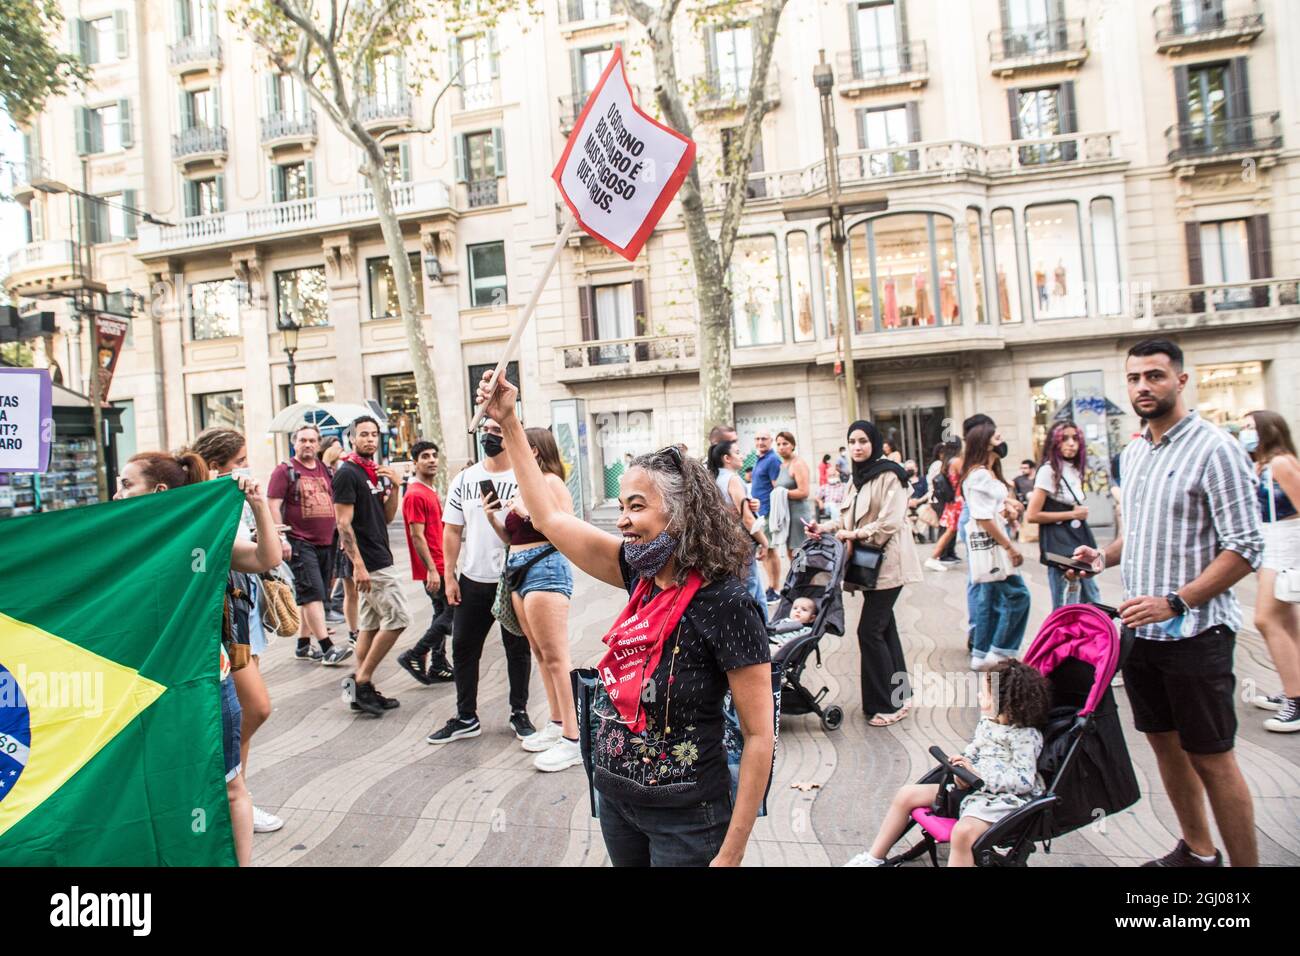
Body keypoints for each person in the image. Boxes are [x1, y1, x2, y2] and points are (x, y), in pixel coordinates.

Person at [477, 371, 774, 867]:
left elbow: (759, 737)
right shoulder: (638, 573)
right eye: (620, 506)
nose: (621, 520)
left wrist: (731, 852)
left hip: (689, 819)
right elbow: (550, 518)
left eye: (636, 506)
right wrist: (509, 421)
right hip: (617, 803)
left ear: (681, 513)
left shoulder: (727, 603)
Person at [1074, 338, 1263, 867]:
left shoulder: (1214, 447)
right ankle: (1199, 852)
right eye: (1134, 378)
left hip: (1197, 633)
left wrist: (1176, 602)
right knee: (1164, 745)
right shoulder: (1135, 452)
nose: (1143, 387)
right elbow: (1143, 531)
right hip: (1142, 634)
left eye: (1155, 376)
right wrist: (1103, 558)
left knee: (1212, 757)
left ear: (1181, 380)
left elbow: (1245, 548)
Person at [113, 451, 269, 864]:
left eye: (126, 484)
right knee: (159, 785)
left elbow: (264, 558)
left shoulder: (202, 532)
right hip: (148, 686)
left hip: (204, 684)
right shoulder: (118, 537)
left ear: (159, 491)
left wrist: (258, 506)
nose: (116, 494)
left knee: (230, 784)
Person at [845, 662, 1051, 867]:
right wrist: (962, 764)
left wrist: (979, 777)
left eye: (985, 693)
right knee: (906, 794)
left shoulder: (1026, 737)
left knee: (962, 833)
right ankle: (873, 858)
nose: (979, 697)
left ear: (1005, 702)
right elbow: (975, 749)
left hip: (1003, 800)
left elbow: (1024, 780)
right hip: (973, 785)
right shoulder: (988, 722)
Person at [190, 427, 289, 837]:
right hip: (227, 621)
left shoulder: (233, 498)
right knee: (254, 708)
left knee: (244, 713)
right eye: (239, 460)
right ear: (216, 467)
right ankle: (230, 792)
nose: (247, 466)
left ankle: (236, 795)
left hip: (243, 610)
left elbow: (262, 550)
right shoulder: (208, 505)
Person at [425, 418, 535, 744]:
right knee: (463, 648)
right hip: (473, 579)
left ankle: (519, 712)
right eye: (485, 430)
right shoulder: (465, 479)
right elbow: (452, 531)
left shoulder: (524, 477)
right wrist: (449, 576)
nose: (489, 436)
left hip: (514, 575)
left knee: (517, 648)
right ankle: (466, 716)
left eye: (497, 431)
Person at [483, 427, 582, 771]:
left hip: (545, 568)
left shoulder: (551, 482)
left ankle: (574, 737)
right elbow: (512, 537)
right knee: (539, 654)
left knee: (556, 657)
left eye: (520, 446)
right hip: (518, 569)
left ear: (535, 451)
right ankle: (557, 724)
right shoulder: (528, 484)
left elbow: (566, 524)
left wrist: (526, 511)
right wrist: (493, 517)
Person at [809, 421, 920, 725]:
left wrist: (853, 536)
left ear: (875, 443)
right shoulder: (856, 479)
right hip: (870, 566)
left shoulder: (891, 475)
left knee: (869, 631)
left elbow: (889, 523)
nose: (857, 447)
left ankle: (887, 704)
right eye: (852, 441)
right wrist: (826, 528)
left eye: (863, 441)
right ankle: (900, 695)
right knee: (884, 629)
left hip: (890, 563)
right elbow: (847, 518)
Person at [333, 416, 409, 717]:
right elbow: (343, 523)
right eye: (363, 434)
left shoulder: (374, 473)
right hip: (372, 563)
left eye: (374, 434)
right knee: (398, 618)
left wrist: (396, 486)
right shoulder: (347, 473)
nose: (370, 439)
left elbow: (387, 517)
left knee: (370, 625)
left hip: (380, 553)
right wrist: (359, 566)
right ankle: (361, 680)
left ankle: (361, 691)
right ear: (352, 438)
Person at [267, 424, 351, 665]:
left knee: (313, 594)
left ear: (318, 444)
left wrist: (342, 537)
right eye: (303, 440)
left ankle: (303, 646)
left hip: (326, 541)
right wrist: (281, 538)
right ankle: (327, 648)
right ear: (294, 442)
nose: (308, 444)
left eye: (312, 440)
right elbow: (273, 504)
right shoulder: (285, 471)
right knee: (312, 592)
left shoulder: (324, 469)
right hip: (299, 541)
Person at [1240, 410, 1300, 732]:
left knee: (1266, 619)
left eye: (1250, 426)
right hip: (1272, 543)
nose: (1244, 432)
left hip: (1284, 545)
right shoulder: (1262, 464)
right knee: (1287, 623)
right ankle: (1293, 688)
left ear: (1268, 430)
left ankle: (1296, 701)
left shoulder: (1280, 463)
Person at [961, 422, 1031, 671]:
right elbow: (982, 516)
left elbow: (989, 510)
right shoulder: (979, 474)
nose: (1000, 438)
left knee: (989, 598)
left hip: (992, 543)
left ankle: (982, 653)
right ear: (985, 441)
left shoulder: (985, 472)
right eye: (995, 436)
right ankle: (1001, 650)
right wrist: (1009, 547)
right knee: (1019, 596)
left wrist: (1008, 509)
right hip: (993, 546)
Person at [395, 440, 455, 686]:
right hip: (435, 567)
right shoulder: (415, 494)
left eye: (434, 455)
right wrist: (432, 569)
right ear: (415, 462)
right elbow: (416, 535)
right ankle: (416, 654)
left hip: (442, 562)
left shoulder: (428, 490)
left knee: (442, 612)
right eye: (425, 456)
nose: (431, 460)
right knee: (453, 612)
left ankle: (438, 664)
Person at [1026, 421, 1101, 609]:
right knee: (1065, 605)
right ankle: (1063, 638)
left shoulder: (1074, 468)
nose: (1071, 443)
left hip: (1077, 543)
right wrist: (1072, 514)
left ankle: (1091, 638)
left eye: (1075, 439)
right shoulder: (1049, 470)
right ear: (1055, 442)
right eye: (1065, 439)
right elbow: (1032, 515)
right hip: (1061, 547)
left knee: (1091, 599)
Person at [708, 438, 771, 614]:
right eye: (737, 452)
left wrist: (750, 503)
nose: (742, 455)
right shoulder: (732, 479)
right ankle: (756, 634)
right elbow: (747, 519)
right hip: (741, 541)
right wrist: (765, 542)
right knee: (751, 590)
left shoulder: (715, 478)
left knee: (748, 588)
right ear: (727, 458)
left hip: (727, 541)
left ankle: (759, 631)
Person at [751, 429, 783, 601]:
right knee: (765, 552)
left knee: (770, 551)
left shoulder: (772, 460)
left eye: (764, 438)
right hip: (760, 513)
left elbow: (776, 487)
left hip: (768, 511)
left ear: (770, 441)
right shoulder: (760, 458)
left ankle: (775, 589)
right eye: (757, 438)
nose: (760, 441)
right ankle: (771, 586)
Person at [774, 431, 813, 564]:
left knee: (799, 553)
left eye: (785, 443)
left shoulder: (798, 464)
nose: (781, 447)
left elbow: (804, 491)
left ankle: (804, 581)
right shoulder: (781, 465)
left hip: (798, 515)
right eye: (778, 444)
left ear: (793, 445)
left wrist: (781, 493)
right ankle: (797, 581)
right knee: (791, 552)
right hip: (787, 515)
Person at [925, 443, 963, 571]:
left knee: (950, 529)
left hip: (953, 500)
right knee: (950, 529)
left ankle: (937, 556)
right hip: (958, 500)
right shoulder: (956, 461)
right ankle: (935, 557)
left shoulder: (946, 463)